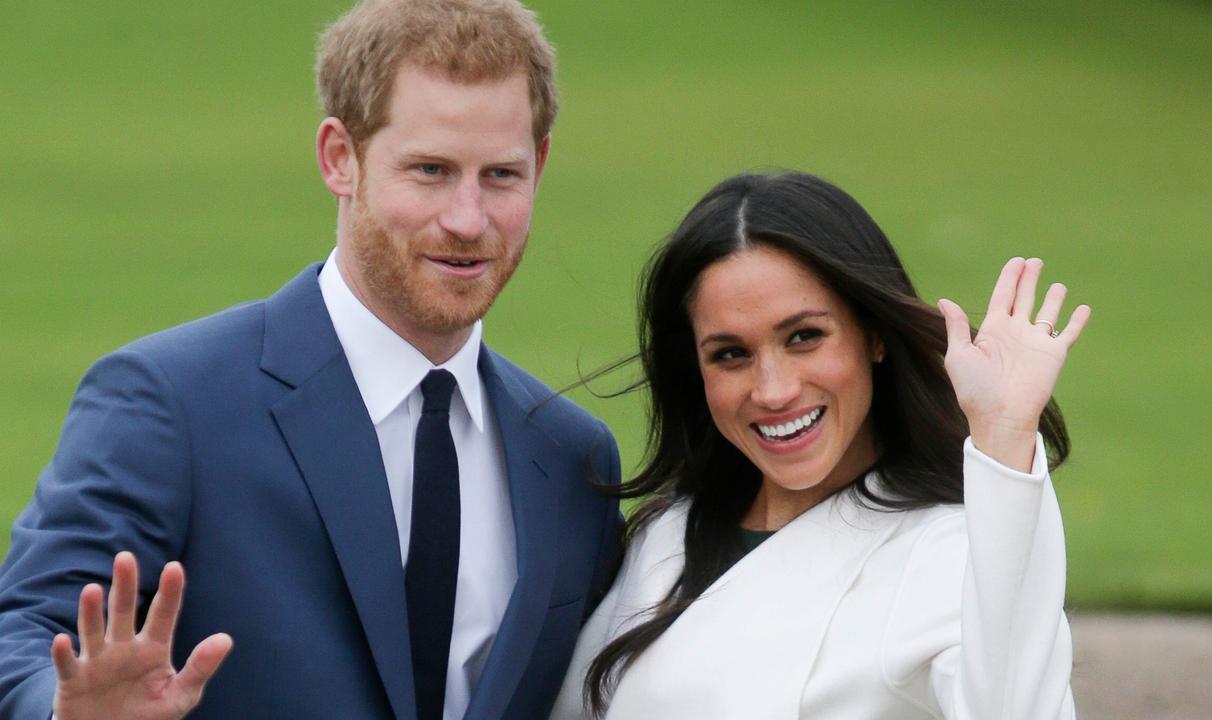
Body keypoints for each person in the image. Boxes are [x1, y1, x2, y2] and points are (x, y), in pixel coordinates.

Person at [0, 1, 622, 718]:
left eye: (502, 176)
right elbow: (25, 631)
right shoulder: (171, 403)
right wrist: (62, 710)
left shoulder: (574, 459)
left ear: (540, 164)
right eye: (430, 170)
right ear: (340, 158)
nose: (467, 219)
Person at [550, 171, 1090, 719]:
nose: (774, 390)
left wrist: (1004, 435)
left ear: (873, 333)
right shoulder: (664, 533)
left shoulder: (945, 552)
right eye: (730, 354)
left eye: (804, 337)